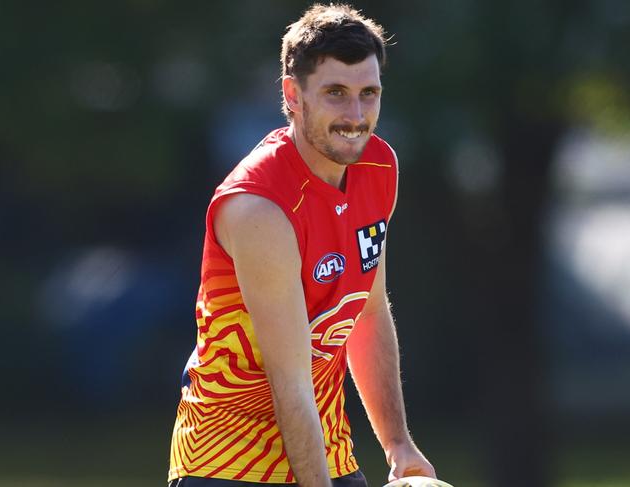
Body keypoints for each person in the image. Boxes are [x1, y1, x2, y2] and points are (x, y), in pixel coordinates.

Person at [168, 4, 436, 487]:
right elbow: (288, 383)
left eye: (368, 94)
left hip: (328, 449)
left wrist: (398, 445)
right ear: (293, 95)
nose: (355, 116)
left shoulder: (378, 167)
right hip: (225, 465)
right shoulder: (259, 207)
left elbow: (368, 311)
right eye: (336, 93)